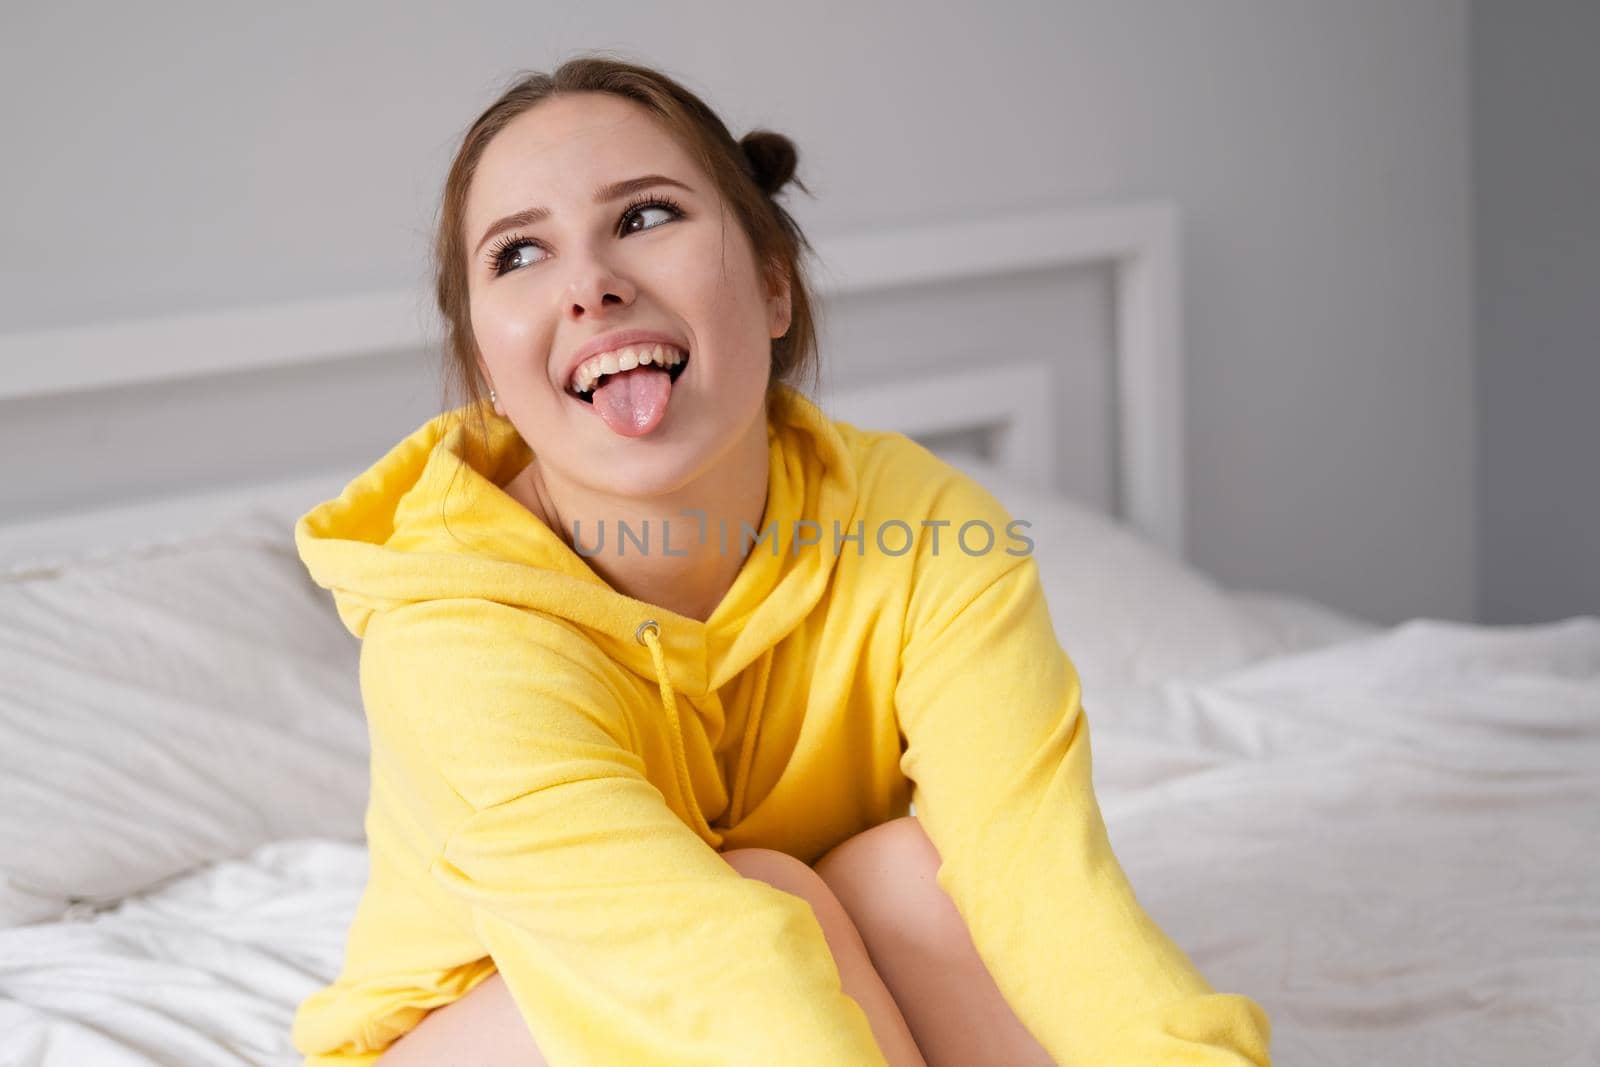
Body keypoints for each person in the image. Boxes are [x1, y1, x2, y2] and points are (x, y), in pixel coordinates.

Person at [290, 53, 1273, 1067]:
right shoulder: (453, 635)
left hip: (781, 974)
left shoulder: (925, 531)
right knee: (767, 893)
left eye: (643, 217)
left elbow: (1043, 880)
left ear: (772, 287)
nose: (590, 285)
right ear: (487, 372)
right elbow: (700, 965)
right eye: (519, 255)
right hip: (504, 1017)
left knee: (906, 875)